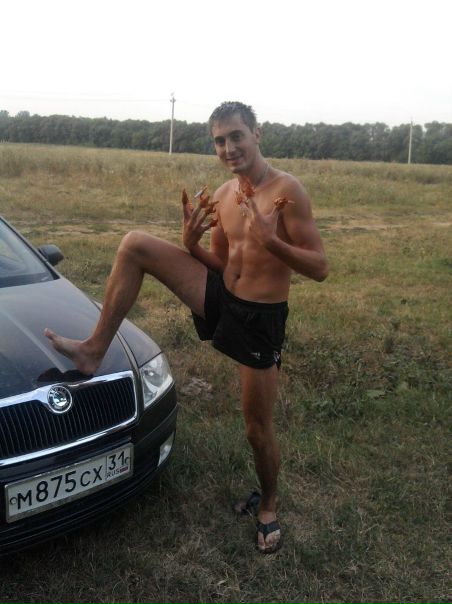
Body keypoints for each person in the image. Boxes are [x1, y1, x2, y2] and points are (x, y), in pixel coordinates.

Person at [45, 101, 328, 554]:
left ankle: (269, 504)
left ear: (257, 134)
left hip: (258, 319)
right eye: (219, 141)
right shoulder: (225, 194)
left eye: (237, 136)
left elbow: (319, 267)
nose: (229, 148)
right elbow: (221, 263)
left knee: (256, 429)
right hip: (221, 298)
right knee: (135, 244)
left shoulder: (286, 190)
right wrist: (190, 245)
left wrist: (272, 241)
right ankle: (93, 349)